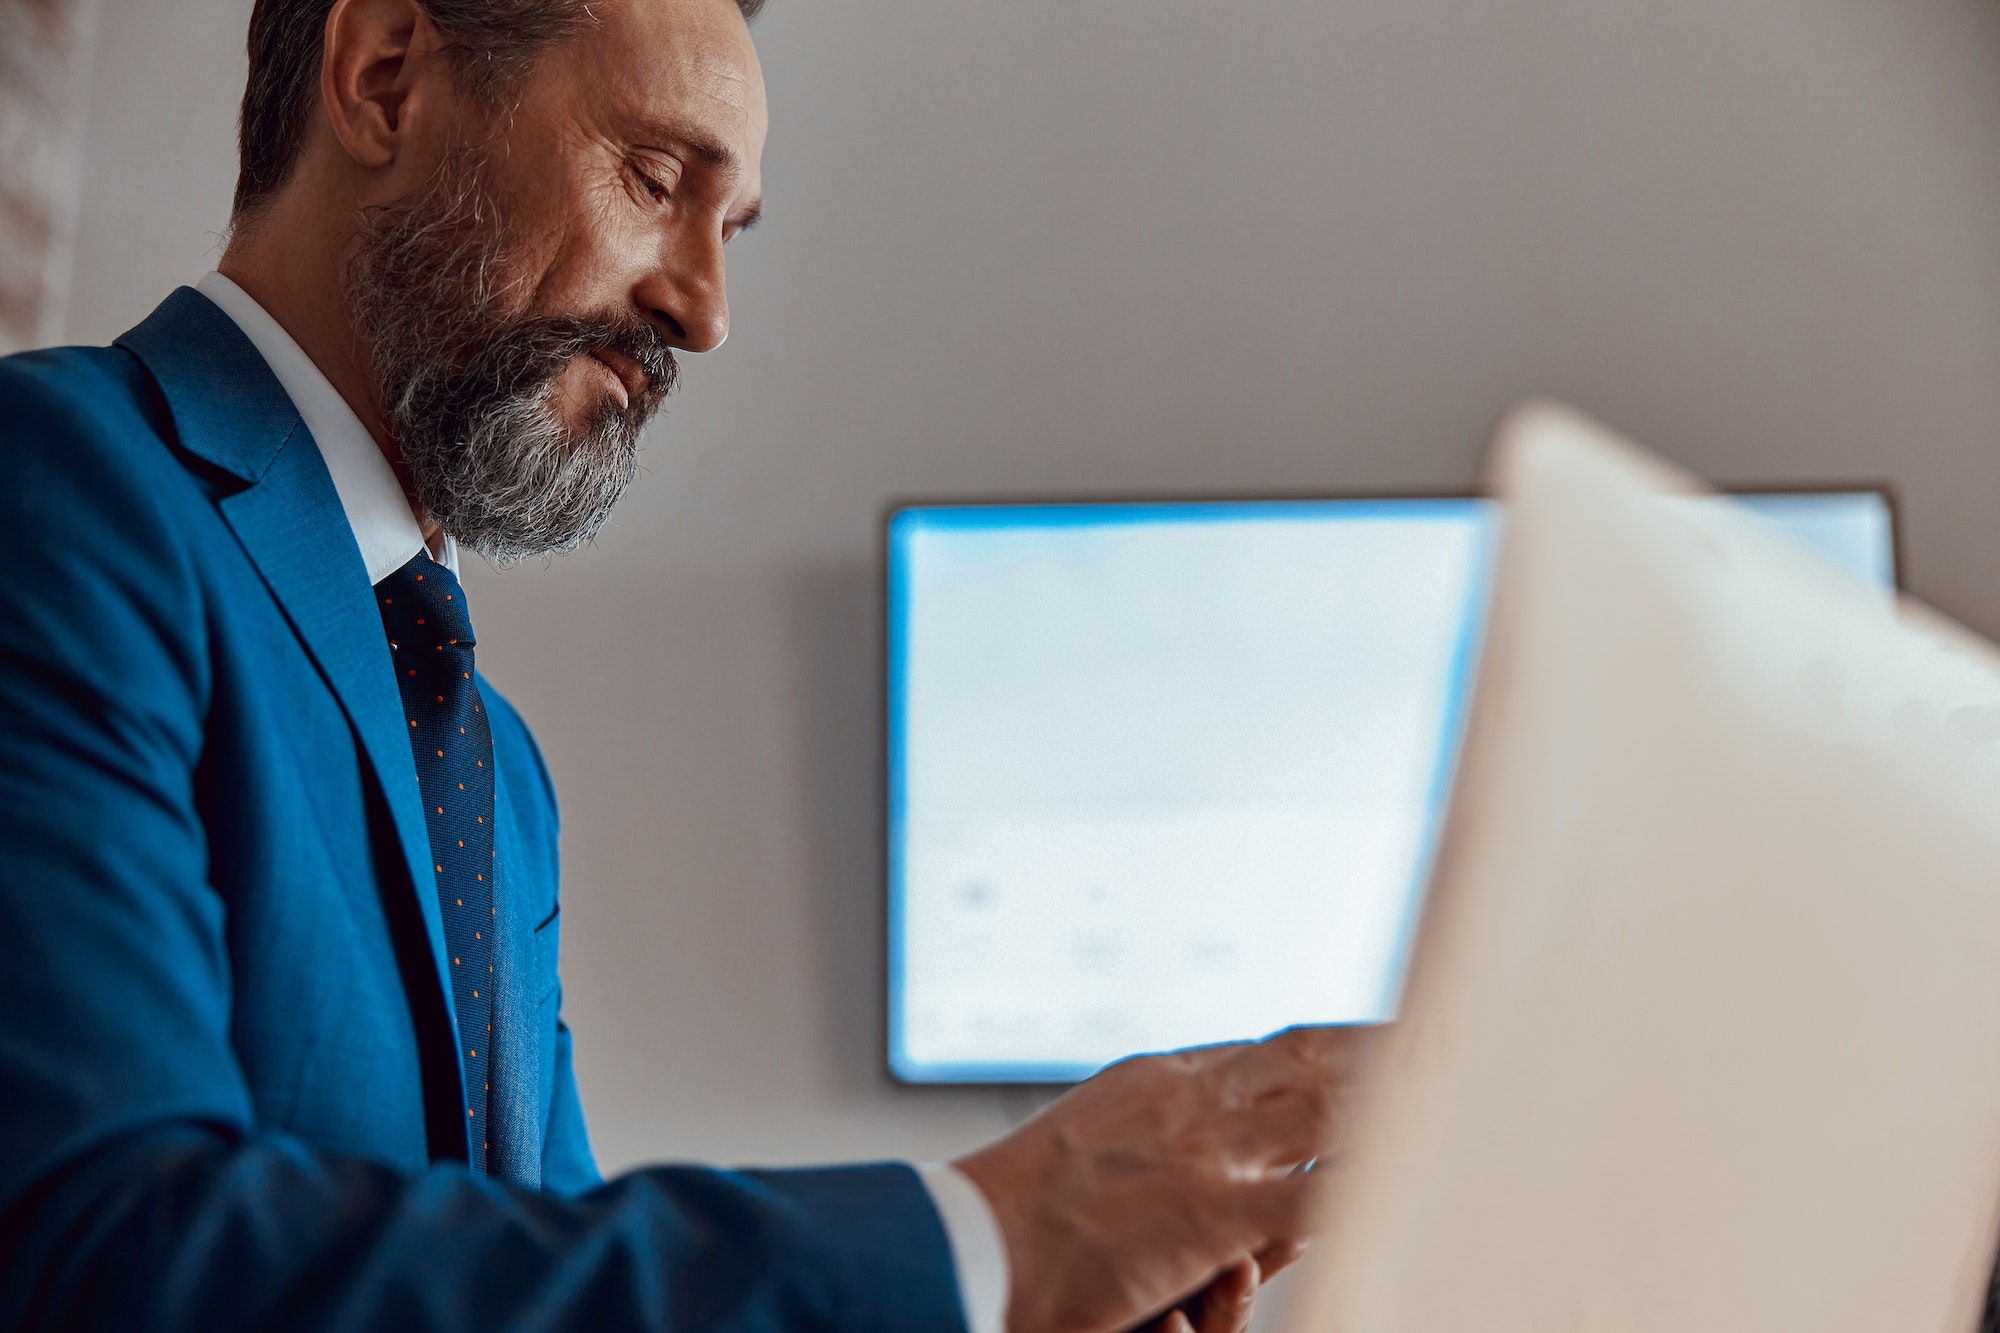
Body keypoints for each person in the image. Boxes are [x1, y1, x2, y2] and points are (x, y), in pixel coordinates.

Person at [0, 0, 1357, 1329]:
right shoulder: (56, 485)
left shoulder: (496, 768)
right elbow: (106, 1246)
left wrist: (1024, 1301)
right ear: (385, 75)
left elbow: (540, 1268)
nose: (704, 310)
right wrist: (981, 1239)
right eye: (655, 177)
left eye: (734, 227)